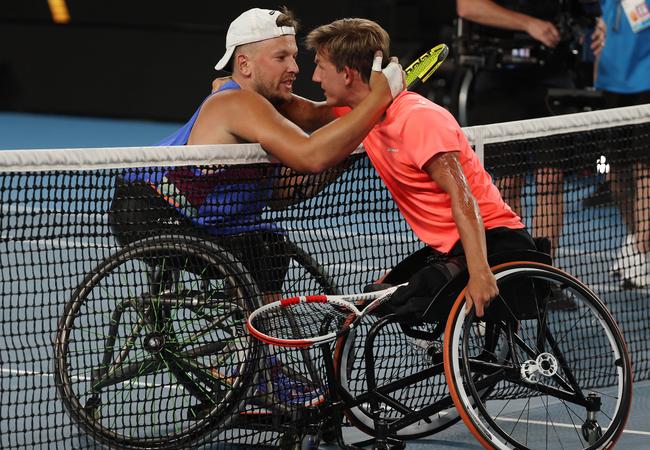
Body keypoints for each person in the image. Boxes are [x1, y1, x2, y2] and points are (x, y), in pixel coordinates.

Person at [109, 7, 403, 303]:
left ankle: (258, 336)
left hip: (193, 215)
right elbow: (311, 156)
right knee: (254, 249)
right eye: (281, 57)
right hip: (150, 213)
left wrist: (366, 109)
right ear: (244, 64)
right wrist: (377, 100)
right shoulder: (237, 103)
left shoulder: (269, 101)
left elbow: (317, 119)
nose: (295, 67)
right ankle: (257, 338)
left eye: (293, 55)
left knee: (270, 246)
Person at [296, 17, 538, 318]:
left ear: (346, 74)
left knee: (402, 301)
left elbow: (462, 196)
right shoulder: (361, 113)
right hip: (452, 249)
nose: (315, 77)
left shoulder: (418, 118)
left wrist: (480, 272)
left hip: (494, 243)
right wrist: (238, 90)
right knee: (373, 301)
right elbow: (304, 113)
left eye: (320, 66)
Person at [454, 0, 605, 261]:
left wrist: (598, 26)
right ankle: (511, 267)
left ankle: (543, 275)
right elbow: (468, 6)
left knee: (551, 179)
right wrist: (528, 23)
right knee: (506, 183)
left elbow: (587, 11)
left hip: (553, 77)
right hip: (500, 80)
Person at [595, 0, 650, 288]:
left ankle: (643, 250)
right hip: (612, 83)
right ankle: (636, 237)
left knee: (645, 171)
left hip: (647, 82)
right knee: (614, 174)